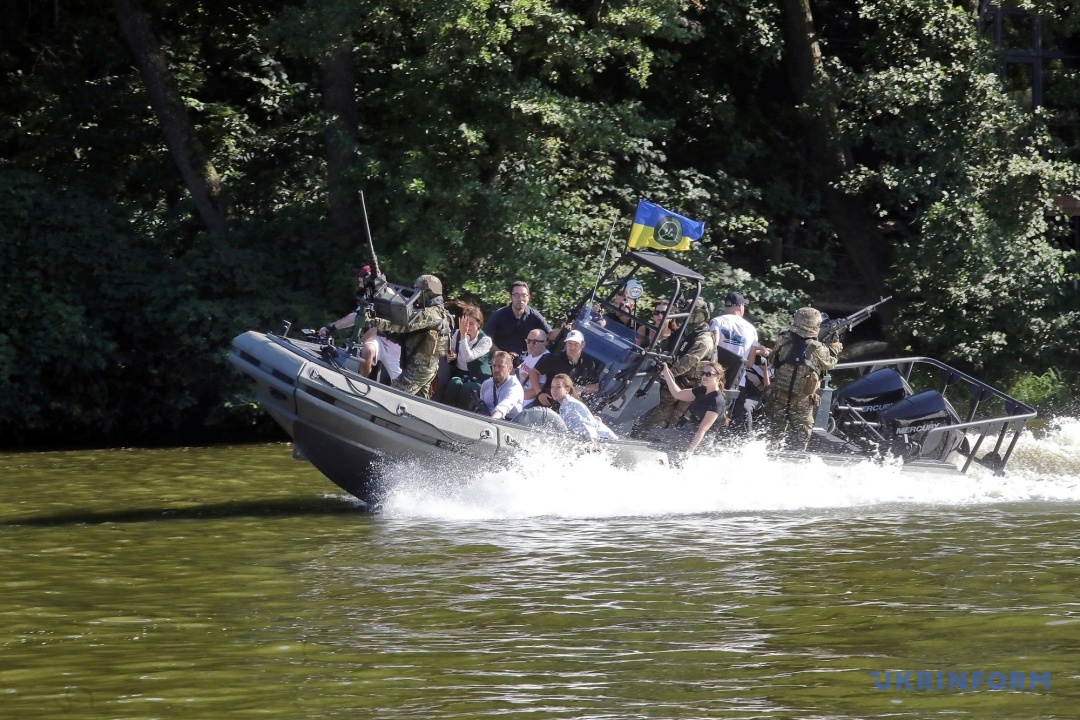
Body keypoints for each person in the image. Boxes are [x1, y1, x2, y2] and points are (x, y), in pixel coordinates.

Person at [633, 297, 716, 438]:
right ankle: (643, 435)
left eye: (690, 313)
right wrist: (649, 351)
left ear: (698, 315)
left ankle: (659, 441)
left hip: (690, 386)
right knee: (658, 413)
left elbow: (686, 363)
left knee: (673, 421)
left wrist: (667, 374)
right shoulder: (687, 331)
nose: (686, 316)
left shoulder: (704, 340)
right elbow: (667, 343)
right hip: (676, 380)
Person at [763, 307, 842, 451]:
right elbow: (830, 364)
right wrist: (835, 346)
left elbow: (774, 360)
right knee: (801, 439)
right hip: (802, 401)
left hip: (779, 396)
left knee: (774, 436)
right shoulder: (817, 347)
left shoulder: (783, 339)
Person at [366, 274, 453, 398]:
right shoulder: (427, 311)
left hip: (420, 368)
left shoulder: (433, 314)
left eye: (420, 290)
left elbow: (405, 326)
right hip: (418, 365)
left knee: (392, 396)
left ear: (430, 293)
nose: (416, 293)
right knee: (419, 403)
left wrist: (375, 321)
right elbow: (404, 334)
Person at [317, 268, 402, 382]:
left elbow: (376, 328)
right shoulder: (370, 295)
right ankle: (361, 383)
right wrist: (331, 328)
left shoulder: (390, 297)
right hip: (380, 339)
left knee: (401, 382)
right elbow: (357, 316)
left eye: (362, 282)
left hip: (396, 346)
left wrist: (358, 344)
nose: (361, 286)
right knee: (367, 350)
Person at [657, 360, 727, 455]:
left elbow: (703, 429)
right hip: (688, 431)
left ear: (718, 378)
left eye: (708, 374)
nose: (704, 377)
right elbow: (677, 394)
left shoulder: (717, 401)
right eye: (703, 373)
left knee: (655, 434)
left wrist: (689, 452)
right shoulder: (702, 390)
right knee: (656, 435)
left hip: (700, 440)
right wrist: (665, 372)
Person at [529, 330, 601, 408]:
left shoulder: (588, 363)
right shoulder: (553, 358)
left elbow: (595, 387)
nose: (572, 347)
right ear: (566, 343)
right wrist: (539, 393)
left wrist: (580, 389)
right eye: (569, 343)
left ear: (583, 344)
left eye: (576, 344)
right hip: (547, 402)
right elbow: (533, 372)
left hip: (570, 408)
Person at [484, 281, 559, 357]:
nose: (521, 299)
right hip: (502, 363)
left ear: (528, 297)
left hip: (526, 361)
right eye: (517, 295)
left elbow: (550, 334)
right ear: (510, 297)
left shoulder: (534, 315)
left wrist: (564, 328)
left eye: (524, 295)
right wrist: (502, 355)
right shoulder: (499, 315)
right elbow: (486, 339)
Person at [443, 302, 492, 409]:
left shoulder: (485, 340)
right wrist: (449, 355)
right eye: (466, 323)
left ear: (479, 324)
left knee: (468, 388)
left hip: (477, 377)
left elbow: (467, 357)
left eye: (472, 323)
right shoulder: (457, 333)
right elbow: (449, 350)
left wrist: (464, 335)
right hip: (460, 372)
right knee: (454, 383)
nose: (468, 327)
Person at [709, 291, 758, 390]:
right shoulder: (752, 329)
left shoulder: (717, 321)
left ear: (726, 306)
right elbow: (749, 363)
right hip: (738, 383)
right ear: (740, 306)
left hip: (715, 380)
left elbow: (712, 349)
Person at [548, 373, 618, 442]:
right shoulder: (564, 405)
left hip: (606, 441)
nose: (554, 390)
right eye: (552, 387)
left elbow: (584, 424)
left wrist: (591, 443)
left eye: (558, 387)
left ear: (567, 390)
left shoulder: (570, 404)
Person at [728, 343, 771, 434]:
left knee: (746, 406)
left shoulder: (772, 368)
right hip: (742, 389)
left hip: (755, 396)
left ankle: (748, 434)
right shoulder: (750, 361)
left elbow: (768, 390)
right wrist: (758, 349)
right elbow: (747, 351)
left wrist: (765, 371)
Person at [478, 351, 524, 420]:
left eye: (500, 366)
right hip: (487, 419)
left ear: (510, 368)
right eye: (494, 366)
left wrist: (490, 421)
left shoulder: (515, 387)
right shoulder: (486, 384)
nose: (496, 370)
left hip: (508, 425)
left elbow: (504, 407)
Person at [517, 328, 550, 408]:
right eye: (528, 341)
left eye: (535, 342)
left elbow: (540, 387)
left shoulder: (545, 359)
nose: (530, 344)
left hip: (526, 400)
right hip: (518, 391)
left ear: (544, 343)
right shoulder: (531, 354)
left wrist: (517, 397)